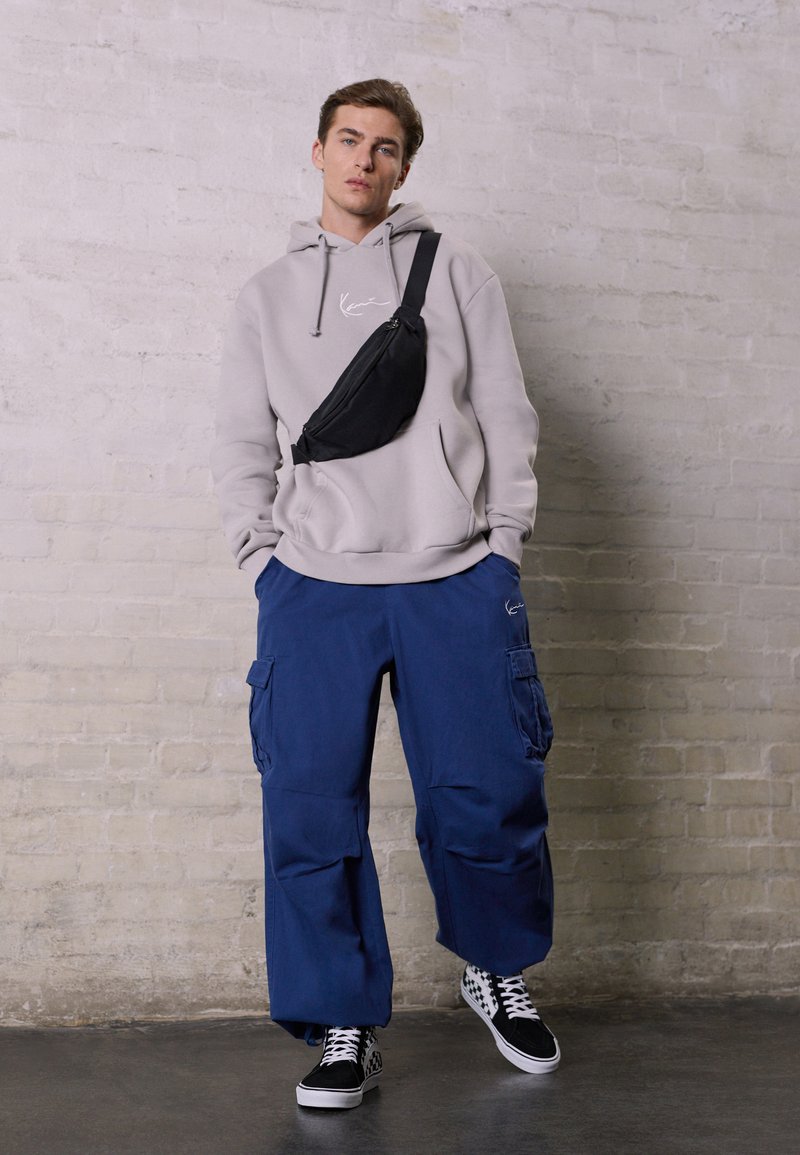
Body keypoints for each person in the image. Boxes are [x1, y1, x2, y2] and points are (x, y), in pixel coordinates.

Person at [212, 78, 559, 1110]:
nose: (365, 158)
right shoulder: (266, 296)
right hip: (314, 585)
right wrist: (261, 559)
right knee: (311, 808)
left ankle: (494, 969)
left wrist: (502, 544)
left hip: (455, 573)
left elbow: (505, 410)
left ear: (404, 166)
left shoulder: (455, 272)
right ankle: (342, 1023)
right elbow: (240, 441)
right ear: (318, 151)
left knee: (487, 792)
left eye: (386, 146)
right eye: (349, 139)